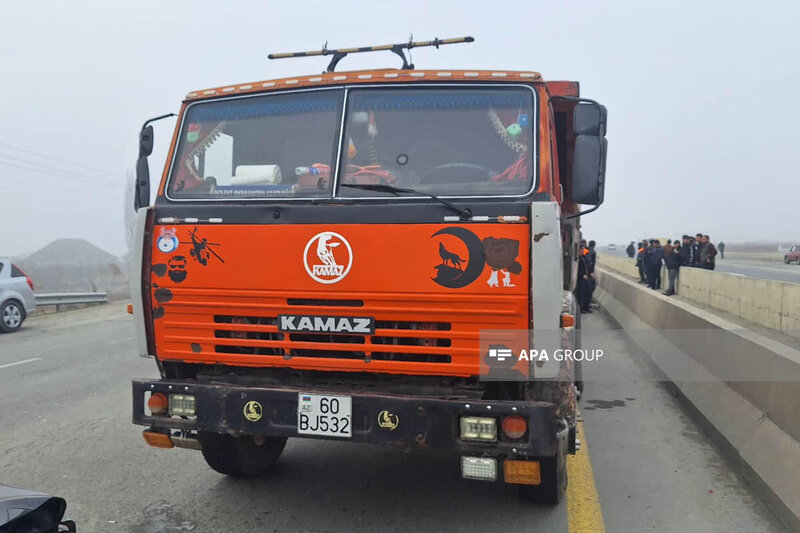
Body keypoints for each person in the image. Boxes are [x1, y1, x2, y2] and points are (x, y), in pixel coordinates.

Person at [576, 240, 595, 313]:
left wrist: (591, 273)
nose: (583, 251)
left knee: (588, 293)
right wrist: (582, 275)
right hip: (581, 279)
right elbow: (577, 270)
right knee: (581, 294)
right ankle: (581, 308)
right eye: (582, 249)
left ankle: (586, 307)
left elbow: (589, 266)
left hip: (587, 277)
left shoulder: (584, 257)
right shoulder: (578, 259)